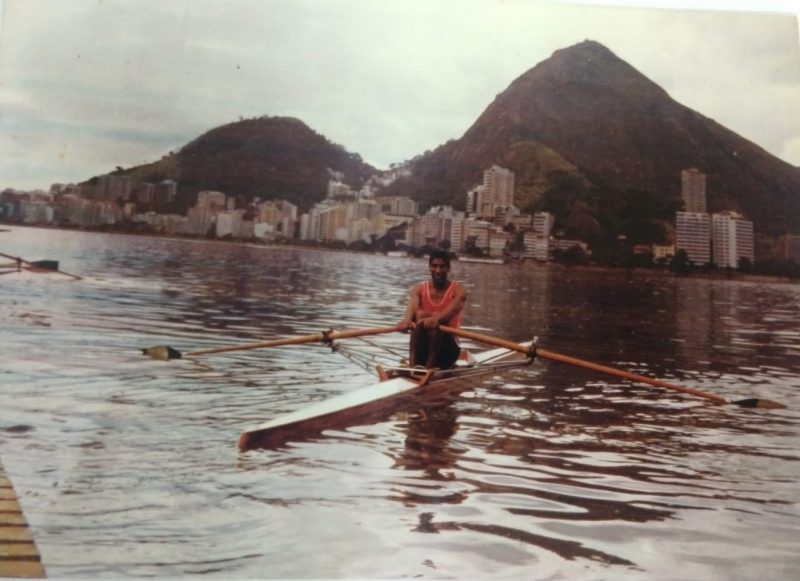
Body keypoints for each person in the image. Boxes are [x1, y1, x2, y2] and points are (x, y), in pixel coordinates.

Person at [397, 250, 467, 369]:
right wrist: (407, 321)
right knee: (419, 317)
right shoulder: (418, 289)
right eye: (434, 266)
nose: (438, 271)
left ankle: (428, 369)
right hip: (423, 348)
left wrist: (434, 319)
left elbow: (451, 311)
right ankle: (413, 367)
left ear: (448, 268)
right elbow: (412, 306)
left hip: (447, 351)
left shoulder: (458, 291)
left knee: (434, 323)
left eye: (442, 267)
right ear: (429, 267)